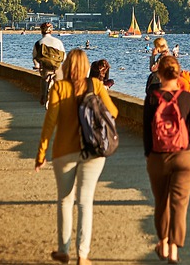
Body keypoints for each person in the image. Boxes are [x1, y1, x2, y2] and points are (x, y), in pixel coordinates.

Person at [35, 49, 118, 265]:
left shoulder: (59, 87)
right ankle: (83, 255)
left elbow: (50, 122)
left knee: (65, 199)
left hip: (64, 150)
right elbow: (114, 113)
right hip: (92, 151)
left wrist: (41, 153)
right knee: (85, 201)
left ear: (67, 65)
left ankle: (63, 250)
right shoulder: (96, 86)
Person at [143, 55, 190, 264]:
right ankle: (174, 251)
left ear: (159, 73)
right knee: (179, 205)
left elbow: (147, 131)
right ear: (178, 73)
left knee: (161, 203)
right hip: (184, 156)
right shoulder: (188, 98)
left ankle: (164, 243)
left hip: (158, 156)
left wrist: (149, 155)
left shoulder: (152, 96)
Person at [33, 23, 66, 102]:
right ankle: (62, 99)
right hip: (57, 67)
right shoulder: (58, 42)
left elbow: (35, 57)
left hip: (45, 67)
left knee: (44, 79)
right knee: (60, 82)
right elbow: (64, 56)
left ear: (41, 31)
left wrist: (37, 65)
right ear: (51, 31)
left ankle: (43, 97)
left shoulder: (38, 43)